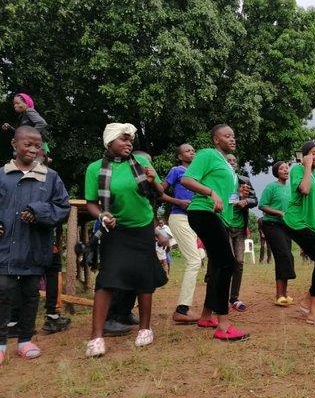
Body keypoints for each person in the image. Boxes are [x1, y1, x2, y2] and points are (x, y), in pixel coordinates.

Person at [84, 123, 168, 357]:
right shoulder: (94, 169)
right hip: (115, 229)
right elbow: (91, 202)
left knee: (144, 279)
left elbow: (160, 192)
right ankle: (96, 337)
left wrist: (152, 180)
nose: (129, 143)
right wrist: (102, 215)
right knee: (107, 279)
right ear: (109, 142)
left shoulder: (142, 164)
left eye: (130, 139)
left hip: (142, 228)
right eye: (123, 139)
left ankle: (145, 329)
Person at [0, 126, 70, 364]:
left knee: (31, 294)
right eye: (27, 144)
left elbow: (62, 207)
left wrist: (38, 212)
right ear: (14, 144)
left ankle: (25, 339)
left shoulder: (50, 177)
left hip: (34, 247)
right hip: (5, 249)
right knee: (3, 291)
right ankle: (0, 343)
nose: (32, 149)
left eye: (37, 145)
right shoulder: (2, 175)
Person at [181, 124, 249, 341]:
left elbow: (225, 198)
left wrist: (238, 195)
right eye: (227, 135)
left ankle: (206, 316)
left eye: (234, 135)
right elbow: (187, 179)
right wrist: (210, 192)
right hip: (203, 212)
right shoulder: (208, 154)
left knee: (218, 264)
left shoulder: (228, 167)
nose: (232, 139)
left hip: (219, 217)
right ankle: (223, 325)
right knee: (227, 263)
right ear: (215, 140)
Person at [283, 141, 315, 325]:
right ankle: (314, 311)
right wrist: (306, 166)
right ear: (305, 155)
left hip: (313, 224)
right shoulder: (298, 170)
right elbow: (304, 189)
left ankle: (306, 301)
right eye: (314, 153)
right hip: (296, 222)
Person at [162, 143, 204, 324]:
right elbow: (159, 192)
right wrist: (177, 201)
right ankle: (182, 309)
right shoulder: (177, 170)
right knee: (194, 260)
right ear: (180, 156)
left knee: (200, 256)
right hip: (179, 217)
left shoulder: (199, 173)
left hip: (195, 219)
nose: (192, 152)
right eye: (188, 150)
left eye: (193, 150)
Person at [258, 161, 295, 306]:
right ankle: (279, 295)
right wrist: (280, 212)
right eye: (282, 168)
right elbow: (262, 205)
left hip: (286, 225)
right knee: (283, 255)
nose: (286, 170)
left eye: (287, 167)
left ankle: (284, 294)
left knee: (288, 256)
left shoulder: (291, 187)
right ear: (276, 172)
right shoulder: (271, 187)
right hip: (272, 224)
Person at [226, 154, 258, 312]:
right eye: (228, 160)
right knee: (225, 262)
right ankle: (219, 297)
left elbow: (255, 199)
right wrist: (237, 197)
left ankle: (234, 298)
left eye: (234, 160)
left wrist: (246, 201)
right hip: (223, 225)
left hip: (239, 228)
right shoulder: (220, 179)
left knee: (238, 262)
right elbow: (219, 198)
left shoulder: (244, 180)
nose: (232, 162)